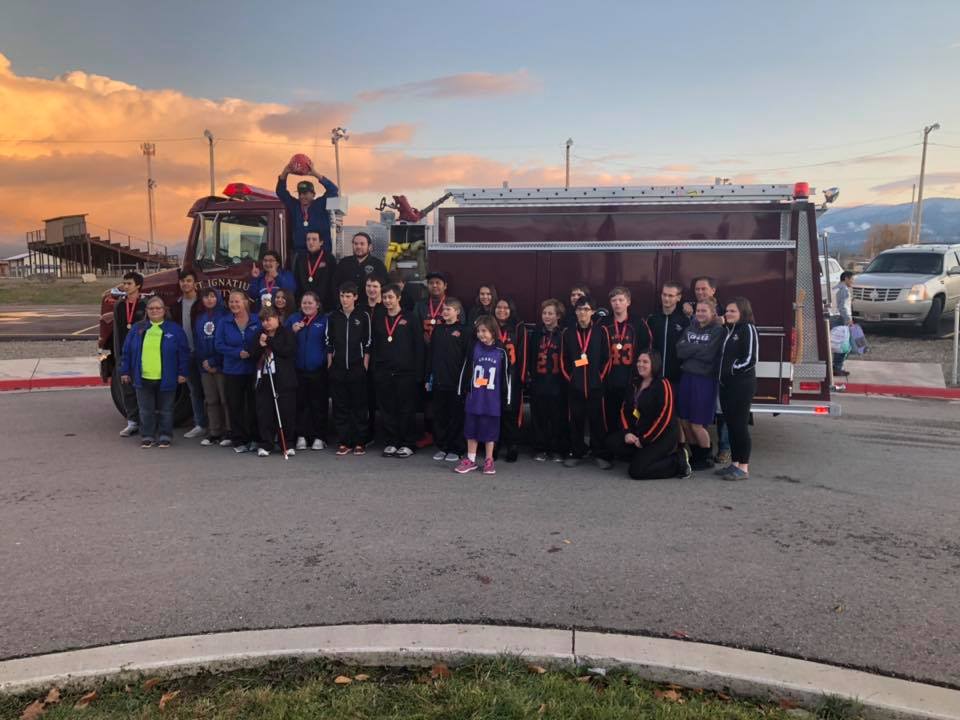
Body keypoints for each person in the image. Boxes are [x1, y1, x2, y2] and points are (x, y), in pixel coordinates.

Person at [118, 296, 190, 449]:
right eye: (151, 308)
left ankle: (165, 435)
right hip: (143, 377)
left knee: (166, 410)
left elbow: (184, 352)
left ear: (164, 311)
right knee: (145, 410)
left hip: (167, 377)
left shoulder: (175, 329)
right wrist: (124, 371)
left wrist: (183, 372)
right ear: (147, 311)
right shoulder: (137, 329)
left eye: (158, 308)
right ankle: (148, 436)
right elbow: (126, 351)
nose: (155, 311)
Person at [606, 350, 688, 480]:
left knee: (637, 472)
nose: (640, 364)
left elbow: (664, 418)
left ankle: (677, 461)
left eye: (645, 362)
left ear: (654, 364)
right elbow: (624, 410)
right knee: (612, 443)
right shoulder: (634, 382)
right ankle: (644, 456)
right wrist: (627, 432)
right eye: (638, 361)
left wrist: (644, 440)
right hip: (640, 432)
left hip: (661, 436)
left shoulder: (663, 384)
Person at [371, 283, 424, 458]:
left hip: (406, 373)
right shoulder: (379, 319)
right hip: (384, 373)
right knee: (388, 409)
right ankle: (392, 442)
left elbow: (418, 346)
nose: (387, 301)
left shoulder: (410, 318)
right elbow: (375, 346)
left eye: (391, 297)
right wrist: (376, 370)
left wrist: (418, 372)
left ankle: (408, 443)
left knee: (406, 409)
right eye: (384, 297)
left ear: (399, 298)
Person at [560, 296, 612, 469]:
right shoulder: (568, 333)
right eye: (580, 309)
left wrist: (599, 377)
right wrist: (571, 379)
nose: (583, 313)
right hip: (575, 386)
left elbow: (607, 357)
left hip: (595, 386)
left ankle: (600, 453)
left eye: (586, 309)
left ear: (593, 312)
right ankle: (577, 452)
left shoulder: (601, 331)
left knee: (598, 420)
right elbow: (563, 359)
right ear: (575, 311)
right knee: (575, 420)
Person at [455, 315, 510, 475]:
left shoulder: (501, 351)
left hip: (492, 400)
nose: (481, 334)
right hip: (475, 398)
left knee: (489, 432)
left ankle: (489, 459)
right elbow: (465, 370)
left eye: (484, 331)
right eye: (479, 331)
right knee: (471, 430)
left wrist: (507, 399)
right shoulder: (474, 348)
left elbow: (507, 376)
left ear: (493, 331)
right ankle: (471, 460)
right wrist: (461, 390)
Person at [676, 300, 725, 470]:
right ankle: (696, 454)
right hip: (687, 377)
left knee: (697, 423)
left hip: (704, 380)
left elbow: (709, 354)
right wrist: (699, 348)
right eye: (698, 310)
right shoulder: (690, 327)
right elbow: (679, 350)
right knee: (684, 421)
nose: (700, 313)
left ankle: (706, 455)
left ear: (713, 313)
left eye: (704, 310)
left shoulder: (718, 331)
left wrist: (692, 348)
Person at [326, 282, 372, 456]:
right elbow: (328, 341)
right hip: (338, 368)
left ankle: (360, 441)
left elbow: (368, 341)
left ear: (355, 297)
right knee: (340, 405)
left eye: (348, 296)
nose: (344, 299)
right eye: (342, 296)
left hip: (357, 367)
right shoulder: (333, 316)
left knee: (359, 406)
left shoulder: (363, 315)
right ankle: (344, 441)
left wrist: (365, 363)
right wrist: (330, 363)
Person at [717, 298, 759, 481]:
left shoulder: (748, 329)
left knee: (740, 426)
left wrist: (732, 369)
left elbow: (751, 358)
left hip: (741, 385)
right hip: (726, 385)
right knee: (731, 425)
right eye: (727, 311)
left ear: (743, 312)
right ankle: (734, 463)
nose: (728, 314)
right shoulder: (728, 330)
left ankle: (744, 467)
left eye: (732, 311)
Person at [215, 290, 262, 453]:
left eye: (237, 301)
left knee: (254, 405)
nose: (234, 304)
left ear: (245, 302)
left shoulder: (257, 319)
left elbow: (264, 338)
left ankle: (255, 438)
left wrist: (252, 351)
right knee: (235, 406)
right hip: (233, 371)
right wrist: (237, 353)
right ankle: (239, 439)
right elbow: (219, 345)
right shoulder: (224, 322)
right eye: (231, 302)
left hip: (253, 369)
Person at [601, 286, 652, 433]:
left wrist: (641, 374)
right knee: (609, 413)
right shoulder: (604, 323)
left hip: (630, 377)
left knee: (629, 413)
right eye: (614, 300)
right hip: (609, 377)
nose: (617, 303)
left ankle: (626, 445)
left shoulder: (638, 323)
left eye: (621, 300)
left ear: (628, 302)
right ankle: (610, 446)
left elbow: (647, 348)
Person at [249, 306, 297, 458]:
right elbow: (253, 354)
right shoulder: (259, 334)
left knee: (286, 410)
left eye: (269, 319)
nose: (266, 323)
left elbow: (287, 351)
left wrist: (269, 341)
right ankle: (266, 443)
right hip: (265, 377)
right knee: (265, 411)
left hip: (283, 378)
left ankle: (287, 443)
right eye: (263, 320)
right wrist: (260, 345)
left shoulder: (286, 333)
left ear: (277, 318)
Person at [427, 297, 468, 462]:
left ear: (457, 312)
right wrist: (428, 377)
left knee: (456, 416)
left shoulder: (464, 331)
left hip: (456, 383)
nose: (445, 312)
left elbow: (467, 357)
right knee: (440, 416)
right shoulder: (437, 330)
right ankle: (442, 447)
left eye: (448, 309)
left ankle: (457, 449)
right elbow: (430, 355)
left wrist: (465, 380)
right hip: (438, 381)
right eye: (443, 309)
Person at [287, 291, 329, 452]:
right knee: (300, 404)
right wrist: (292, 332)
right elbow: (282, 340)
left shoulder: (324, 320)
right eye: (304, 303)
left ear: (317, 304)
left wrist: (323, 360)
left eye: (310, 303)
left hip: (318, 370)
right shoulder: (293, 319)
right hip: (298, 369)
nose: (307, 305)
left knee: (318, 404)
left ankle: (319, 436)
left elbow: (329, 344)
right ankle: (301, 436)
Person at [528, 298, 568, 462]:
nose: (546, 316)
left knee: (557, 417)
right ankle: (540, 448)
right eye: (544, 313)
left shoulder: (564, 334)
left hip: (558, 382)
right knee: (539, 416)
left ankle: (557, 449)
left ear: (558, 315)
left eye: (550, 313)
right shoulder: (536, 333)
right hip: (539, 381)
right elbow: (530, 356)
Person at [276, 158, 339, 256]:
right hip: (300, 254)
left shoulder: (321, 204)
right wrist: (285, 172)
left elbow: (333, 190)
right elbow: (281, 192)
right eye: (300, 193)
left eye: (305, 193)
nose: (302, 196)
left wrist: (315, 174)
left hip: (321, 254)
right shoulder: (294, 205)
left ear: (313, 194)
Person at [172, 269, 207, 440]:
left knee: (211, 391)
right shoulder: (176, 305)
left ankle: (217, 426)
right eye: (182, 281)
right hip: (187, 353)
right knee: (194, 390)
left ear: (195, 283)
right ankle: (200, 424)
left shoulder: (203, 303)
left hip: (203, 353)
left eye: (188, 280)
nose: (185, 284)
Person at [194, 288, 231, 447]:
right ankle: (214, 431)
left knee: (225, 400)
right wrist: (204, 363)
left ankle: (229, 431)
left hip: (221, 366)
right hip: (205, 367)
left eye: (212, 297)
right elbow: (198, 343)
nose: (209, 300)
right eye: (205, 297)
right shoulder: (199, 319)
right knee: (211, 400)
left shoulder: (224, 316)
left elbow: (225, 342)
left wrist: (216, 362)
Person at [112, 271, 146, 437]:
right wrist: (119, 356)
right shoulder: (119, 306)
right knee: (127, 390)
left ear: (138, 285)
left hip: (142, 354)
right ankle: (132, 422)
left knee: (144, 389)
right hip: (125, 354)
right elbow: (117, 332)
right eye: (124, 283)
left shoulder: (145, 305)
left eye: (129, 284)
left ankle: (147, 422)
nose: (125, 287)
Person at [493, 297, 527, 462]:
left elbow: (523, 353)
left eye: (506, 308)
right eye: (499, 307)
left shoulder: (519, 327)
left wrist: (521, 377)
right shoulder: (490, 325)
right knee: (494, 410)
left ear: (511, 310)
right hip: (493, 374)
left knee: (510, 411)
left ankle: (512, 445)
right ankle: (494, 444)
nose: (502, 310)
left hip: (512, 375)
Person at [648, 281, 689, 384]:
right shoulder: (652, 319)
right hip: (655, 375)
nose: (666, 298)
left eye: (671, 296)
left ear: (678, 297)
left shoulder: (684, 320)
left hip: (677, 376)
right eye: (664, 295)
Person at [332, 232, 388, 300]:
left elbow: (385, 287)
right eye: (355, 244)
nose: (358, 246)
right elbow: (334, 285)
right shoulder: (343, 263)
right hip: (347, 306)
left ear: (370, 247)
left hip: (369, 306)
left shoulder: (378, 264)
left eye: (362, 244)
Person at [362, 275, 384, 442]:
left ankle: (386, 433)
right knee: (366, 398)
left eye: (375, 286)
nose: (371, 289)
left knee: (383, 399)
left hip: (382, 359)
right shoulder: (360, 308)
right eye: (369, 286)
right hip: (364, 358)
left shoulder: (386, 307)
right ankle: (368, 433)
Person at [293, 230, 338, 309]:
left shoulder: (329, 258)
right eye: (308, 239)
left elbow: (333, 282)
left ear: (321, 242)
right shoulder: (300, 258)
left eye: (314, 239)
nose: (311, 242)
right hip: (305, 303)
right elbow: (297, 280)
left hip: (325, 304)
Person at [834, 271, 854, 377]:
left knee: (837, 343)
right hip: (841, 319)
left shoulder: (836, 288)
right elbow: (842, 307)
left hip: (836, 317)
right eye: (851, 279)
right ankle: (837, 367)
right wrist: (848, 319)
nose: (852, 282)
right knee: (843, 344)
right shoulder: (844, 290)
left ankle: (836, 366)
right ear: (846, 278)